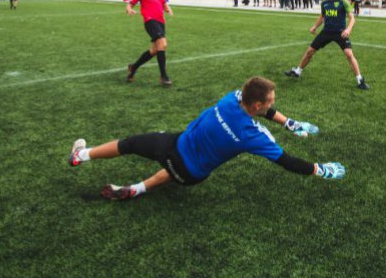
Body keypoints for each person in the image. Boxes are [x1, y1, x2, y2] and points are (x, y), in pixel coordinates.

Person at [68, 77, 346, 200]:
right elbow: (287, 161)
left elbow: (262, 109)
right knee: (179, 166)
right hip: (190, 176)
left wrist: (288, 123)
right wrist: (321, 169)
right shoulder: (254, 136)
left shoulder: (231, 99)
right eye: (270, 101)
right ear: (257, 105)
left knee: (130, 144)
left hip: (172, 148)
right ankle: (137, 189)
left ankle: (81, 155)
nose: (273, 104)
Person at [285, 0, 370, 90]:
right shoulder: (324, 3)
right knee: (310, 51)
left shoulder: (344, 2)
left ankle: (360, 80)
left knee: (349, 54)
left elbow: (352, 18)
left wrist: (348, 29)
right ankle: (297, 71)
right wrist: (315, 27)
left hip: (340, 33)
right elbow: (322, 17)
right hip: (326, 32)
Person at [126, 0, 174, 87]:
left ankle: (133, 67)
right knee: (162, 44)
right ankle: (163, 76)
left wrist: (168, 9)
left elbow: (164, 3)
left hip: (161, 22)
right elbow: (130, 4)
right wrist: (129, 9)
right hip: (150, 21)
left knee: (154, 50)